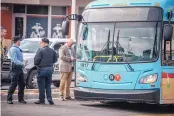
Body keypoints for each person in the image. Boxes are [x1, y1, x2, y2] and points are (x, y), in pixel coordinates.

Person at [34, 38, 58, 105]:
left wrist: (37, 64)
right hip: (50, 69)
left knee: (41, 86)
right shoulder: (52, 51)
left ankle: (42, 100)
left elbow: (36, 60)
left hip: (42, 69)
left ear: (44, 43)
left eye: (41, 42)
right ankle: (50, 99)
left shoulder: (40, 50)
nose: (40, 44)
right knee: (48, 85)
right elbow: (55, 60)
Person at [7, 36, 26, 104]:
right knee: (14, 84)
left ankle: (21, 99)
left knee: (22, 84)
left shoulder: (17, 48)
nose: (20, 42)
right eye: (19, 41)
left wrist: (22, 65)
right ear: (17, 41)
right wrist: (23, 64)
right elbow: (14, 60)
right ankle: (9, 99)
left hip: (19, 68)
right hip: (15, 68)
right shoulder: (13, 49)